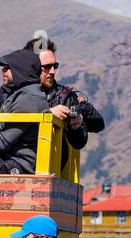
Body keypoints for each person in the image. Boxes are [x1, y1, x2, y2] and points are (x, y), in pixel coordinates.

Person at [24, 36, 104, 173]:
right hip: (16, 161)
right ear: (32, 66)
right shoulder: (12, 90)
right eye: (47, 67)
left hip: (49, 167)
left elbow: (84, 137)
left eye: (55, 66)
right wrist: (47, 113)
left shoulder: (64, 96)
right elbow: (9, 113)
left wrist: (76, 126)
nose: (53, 71)